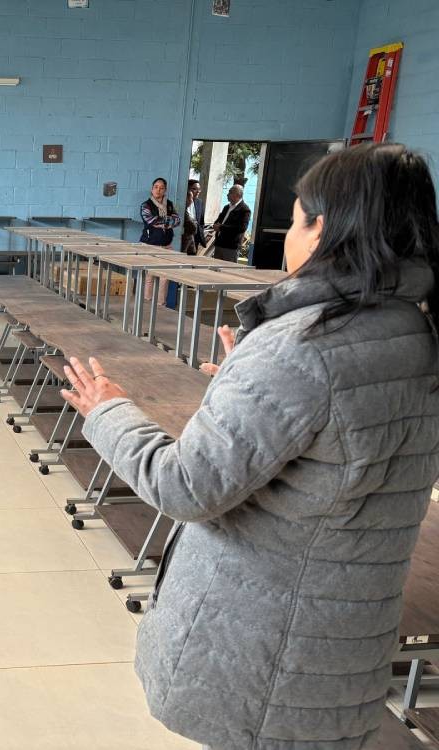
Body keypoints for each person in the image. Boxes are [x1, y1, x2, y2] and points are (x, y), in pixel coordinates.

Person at [60, 143, 439, 749]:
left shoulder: (304, 345)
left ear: (324, 231)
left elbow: (185, 485)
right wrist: (255, 387)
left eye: (295, 218)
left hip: (266, 643)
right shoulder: (417, 331)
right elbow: (340, 437)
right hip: (347, 634)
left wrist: (108, 411)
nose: (288, 234)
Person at [138, 177, 181, 300]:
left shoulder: (170, 205)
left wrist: (163, 222)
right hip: (149, 245)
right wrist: (168, 221)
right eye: (156, 187)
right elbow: (151, 221)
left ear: (165, 190)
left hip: (166, 245)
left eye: (161, 188)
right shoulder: (145, 205)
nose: (158, 190)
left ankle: (161, 305)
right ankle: (146, 303)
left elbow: (177, 221)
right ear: (152, 189)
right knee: (149, 276)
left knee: (165, 276)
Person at [211, 184, 251, 263]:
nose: (227, 194)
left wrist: (221, 227)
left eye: (230, 192)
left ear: (237, 194)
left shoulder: (244, 209)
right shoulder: (226, 207)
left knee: (226, 271)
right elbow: (219, 221)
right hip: (219, 245)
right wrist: (215, 225)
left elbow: (242, 228)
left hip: (231, 248)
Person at [180, 179, 205, 255]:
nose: (198, 191)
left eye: (199, 189)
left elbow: (201, 222)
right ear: (187, 189)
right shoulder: (181, 201)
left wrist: (201, 235)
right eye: (194, 189)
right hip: (183, 238)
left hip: (195, 238)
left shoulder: (199, 203)